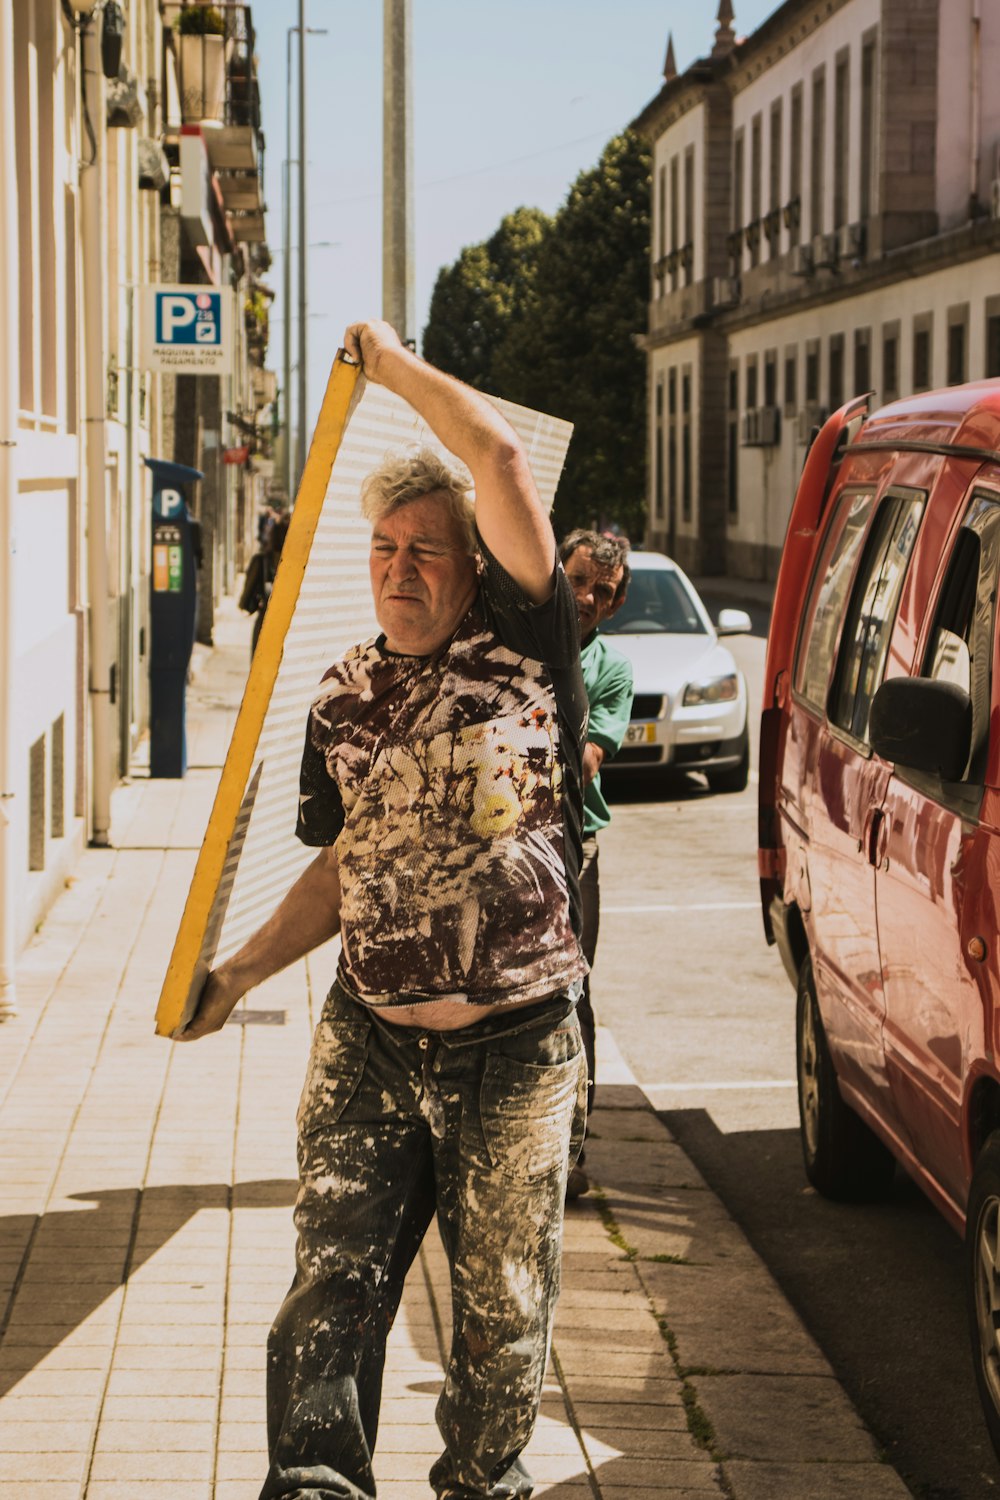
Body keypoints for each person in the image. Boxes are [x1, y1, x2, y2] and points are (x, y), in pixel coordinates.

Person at [178, 319, 589, 1500]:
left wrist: (388, 366)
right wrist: (238, 975)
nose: (400, 567)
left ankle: (480, 1486)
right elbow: (339, 869)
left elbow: (501, 465)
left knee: (502, 1315)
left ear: (474, 567)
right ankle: (314, 1485)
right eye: (382, 547)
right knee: (329, 1288)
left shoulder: (524, 644)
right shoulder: (345, 694)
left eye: (427, 549)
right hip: (369, 1037)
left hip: (514, 1045)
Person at [557, 530, 633, 1199]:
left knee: (571, 988)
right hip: (497, 842)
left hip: (572, 846)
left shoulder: (611, 669)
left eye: (601, 592)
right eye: (577, 580)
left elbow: (585, 762)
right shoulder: (518, 638)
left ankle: (571, 1152)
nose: (586, 598)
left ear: (616, 601)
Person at [240, 513, 289, 657]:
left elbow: (244, 603)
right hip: (294, 630)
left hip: (265, 627)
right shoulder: (305, 565)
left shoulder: (261, 561)